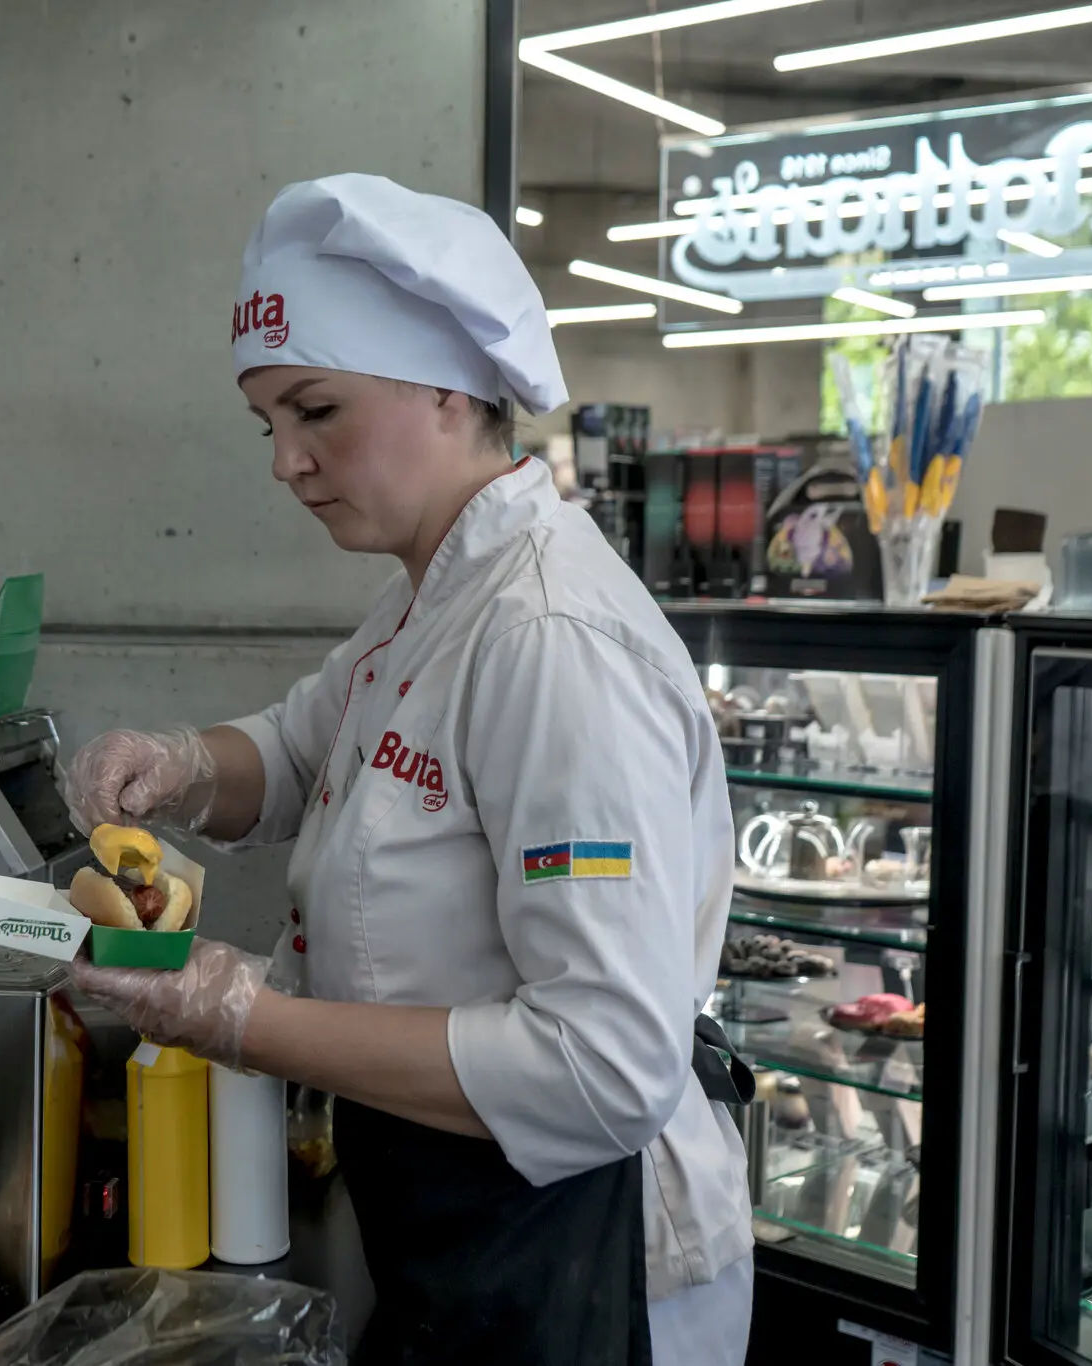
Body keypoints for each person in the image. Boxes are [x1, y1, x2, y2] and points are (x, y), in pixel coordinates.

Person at [62, 173, 750, 1366]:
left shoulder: (547, 638)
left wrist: (245, 1017)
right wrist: (174, 767)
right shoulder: (428, 601)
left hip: (570, 1247)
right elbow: (293, 748)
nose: (285, 461)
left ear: (443, 385)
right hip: (446, 1212)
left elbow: (602, 1065)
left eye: (314, 409)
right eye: (267, 425)